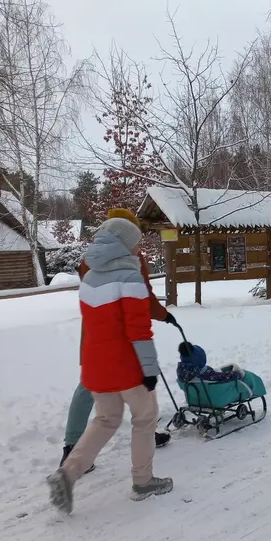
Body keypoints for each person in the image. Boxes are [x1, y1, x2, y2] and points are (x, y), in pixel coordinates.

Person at [46, 216, 174, 513]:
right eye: (137, 243)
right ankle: (143, 482)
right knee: (145, 420)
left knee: (105, 420)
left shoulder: (89, 276)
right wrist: (149, 369)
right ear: (125, 244)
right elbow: (137, 330)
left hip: (96, 366)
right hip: (127, 366)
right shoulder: (129, 279)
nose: (139, 248)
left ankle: (67, 473)